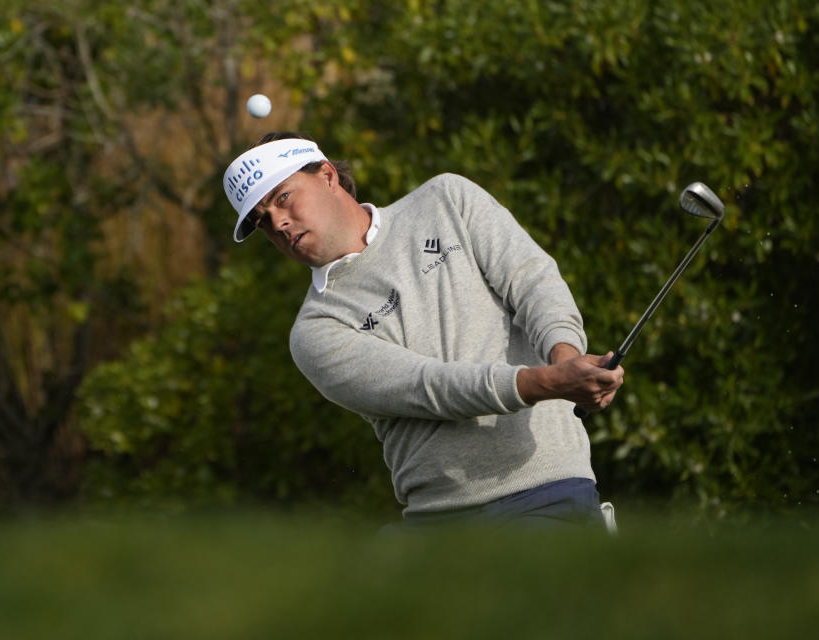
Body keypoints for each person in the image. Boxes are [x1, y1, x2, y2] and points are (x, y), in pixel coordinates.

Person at [222, 132, 624, 528]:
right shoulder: (315, 331)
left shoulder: (446, 199)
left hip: (547, 487)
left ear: (327, 176)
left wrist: (567, 359)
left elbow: (533, 282)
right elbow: (429, 386)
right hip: (441, 517)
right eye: (262, 220)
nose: (278, 222)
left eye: (283, 198)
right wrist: (551, 382)